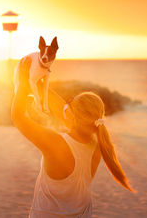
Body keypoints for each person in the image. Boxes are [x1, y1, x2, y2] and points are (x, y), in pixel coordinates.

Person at [11, 57, 134, 218]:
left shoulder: (57, 144)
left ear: (74, 116)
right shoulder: (98, 143)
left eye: (70, 104)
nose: (65, 107)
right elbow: (63, 111)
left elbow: (18, 117)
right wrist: (38, 84)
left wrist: (22, 82)